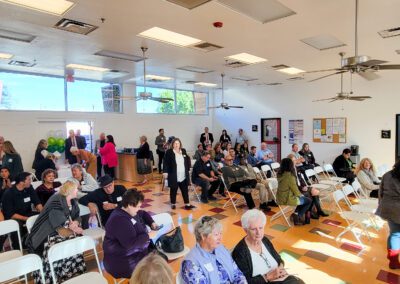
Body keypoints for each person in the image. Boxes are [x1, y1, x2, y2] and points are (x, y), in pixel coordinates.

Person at [26, 180, 85, 283]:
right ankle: (56, 277)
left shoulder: (73, 201)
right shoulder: (56, 202)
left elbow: (77, 217)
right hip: (46, 235)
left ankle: (71, 276)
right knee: (62, 245)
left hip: (62, 231)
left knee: (74, 242)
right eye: (76, 189)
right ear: (70, 190)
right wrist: (76, 231)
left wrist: (75, 222)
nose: (78, 190)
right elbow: (62, 231)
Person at [232, 209, 305, 284]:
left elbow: (278, 259)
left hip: (281, 279)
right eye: (254, 229)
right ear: (245, 230)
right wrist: (267, 277)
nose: (258, 233)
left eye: (261, 228)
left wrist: (281, 267)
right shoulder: (240, 252)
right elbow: (245, 281)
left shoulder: (264, 240)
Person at [103, 189, 159, 279]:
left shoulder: (126, 210)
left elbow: (143, 214)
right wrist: (148, 236)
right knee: (155, 270)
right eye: (138, 206)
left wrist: (151, 222)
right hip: (122, 262)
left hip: (133, 256)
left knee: (158, 264)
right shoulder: (119, 220)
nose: (139, 209)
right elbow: (131, 245)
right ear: (129, 205)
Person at [181, 216, 247, 283]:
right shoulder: (190, 263)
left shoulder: (222, 249)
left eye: (220, 233)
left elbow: (237, 274)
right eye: (216, 234)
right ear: (203, 236)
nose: (220, 238)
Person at [2, 172, 43, 249]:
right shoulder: (9, 193)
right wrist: (27, 219)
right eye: (29, 179)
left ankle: (37, 241)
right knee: (17, 224)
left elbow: (37, 202)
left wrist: (42, 212)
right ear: (21, 182)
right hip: (14, 217)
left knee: (42, 218)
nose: (31, 181)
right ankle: (18, 247)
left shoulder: (29, 188)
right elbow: (10, 214)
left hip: (27, 213)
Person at [376, 161, 400, 269]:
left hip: (389, 208)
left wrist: (381, 205)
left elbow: (380, 192)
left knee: (395, 234)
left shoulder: (387, 175)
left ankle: (393, 261)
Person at [276, 158, 311, 226]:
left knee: (306, 197)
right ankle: (298, 216)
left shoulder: (280, 174)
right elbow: (296, 191)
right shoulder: (290, 176)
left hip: (280, 197)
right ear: (290, 165)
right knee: (308, 200)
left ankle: (297, 214)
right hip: (288, 199)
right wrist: (302, 195)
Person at [163, 138, 196, 210]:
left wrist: (188, 168)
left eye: (178, 143)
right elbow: (165, 162)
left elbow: (187, 159)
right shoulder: (169, 152)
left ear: (180, 144)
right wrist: (165, 172)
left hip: (183, 175)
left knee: (185, 190)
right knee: (173, 190)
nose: (176, 145)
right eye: (175, 143)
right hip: (173, 174)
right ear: (172, 144)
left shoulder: (183, 151)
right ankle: (173, 203)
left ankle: (187, 204)